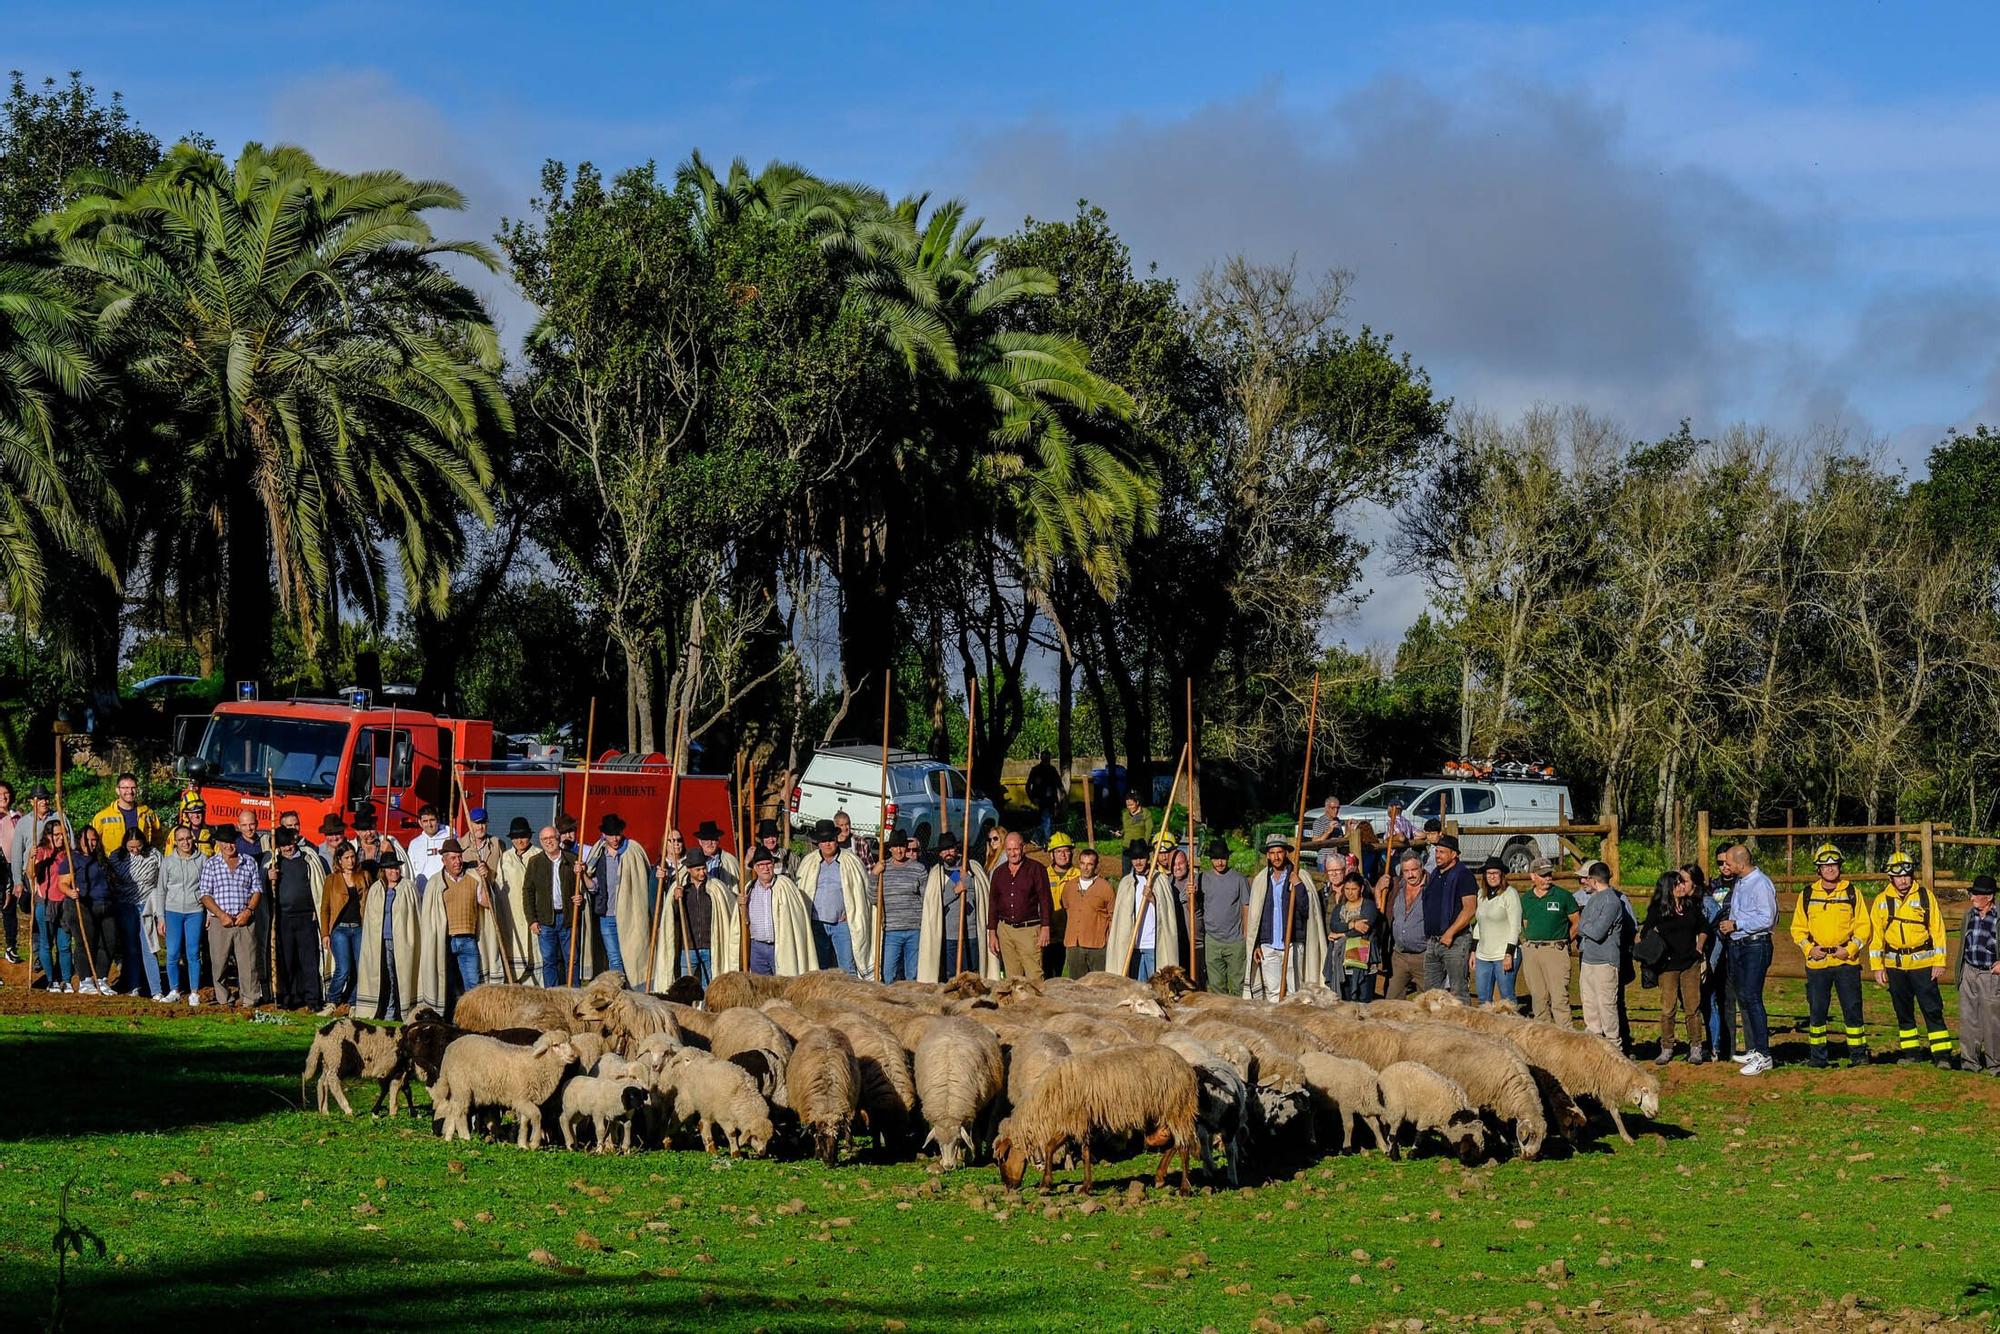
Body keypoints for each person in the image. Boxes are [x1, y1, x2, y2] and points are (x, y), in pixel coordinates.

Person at [1789, 843, 1871, 1068]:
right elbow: (1797, 928)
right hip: (1817, 963)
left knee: (1852, 1009)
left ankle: (1858, 1055)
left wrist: (1850, 949)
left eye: (1833, 865)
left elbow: (1864, 927)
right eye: (1825, 866)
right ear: (1818, 869)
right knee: (1817, 1012)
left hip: (1846, 962)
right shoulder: (1807, 894)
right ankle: (1818, 1057)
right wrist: (1809, 949)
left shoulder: (1852, 892)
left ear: (1840, 866)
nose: (1830, 869)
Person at [1869, 851, 1952, 1067]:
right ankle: (1911, 1053)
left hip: (1923, 964)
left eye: (1907, 875)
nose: (1904, 880)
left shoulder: (1925, 897)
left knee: (1932, 1009)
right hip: (1895, 966)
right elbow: (1876, 937)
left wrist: (1939, 961)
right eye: (1899, 876)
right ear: (1890, 877)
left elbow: (1938, 930)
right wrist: (1877, 967)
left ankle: (1942, 1055)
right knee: (1903, 1011)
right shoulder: (1880, 902)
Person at [1715, 843, 1776, 1075]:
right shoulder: (1741, 882)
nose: (1726, 867)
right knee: (1744, 996)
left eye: (1728, 862)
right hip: (1738, 943)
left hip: (1755, 945)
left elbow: (1767, 918)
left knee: (1752, 996)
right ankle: (1755, 1048)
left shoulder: (1761, 884)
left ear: (1741, 863)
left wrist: (1737, 924)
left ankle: (1764, 1054)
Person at [1244, 834, 1325, 999]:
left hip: (1292, 943)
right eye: (1272, 853)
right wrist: (1257, 943)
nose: (1276, 857)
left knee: (1294, 992)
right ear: (1267, 855)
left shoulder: (1299, 876)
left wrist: (1298, 885)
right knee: (1273, 991)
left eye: (1279, 852)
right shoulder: (1261, 880)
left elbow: (1306, 910)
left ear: (1286, 853)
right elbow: (1256, 917)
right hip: (1269, 945)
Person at [1645, 869, 1709, 1065]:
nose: (1682, 887)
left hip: (1690, 963)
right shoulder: (1657, 910)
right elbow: (1646, 932)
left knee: (1692, 1007)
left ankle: (1696, 1047)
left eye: (1683, 883)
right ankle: (1667, 1047)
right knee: (1668, 1008)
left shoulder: (1691, 906)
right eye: (1677, 884)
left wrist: (1699, 948)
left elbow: (1704, 927)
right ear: (1667, 888)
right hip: (1667, 966)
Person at [797, 819, 874, 978]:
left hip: (842, 924)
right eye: (823, 841)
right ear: (818, 843)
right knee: (820, 967)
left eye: (830, 840)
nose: (827, 844)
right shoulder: (809, 862)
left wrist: (851, 910)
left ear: (836, 840)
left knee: (847, 967)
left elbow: (861, 891)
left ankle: (851, 998)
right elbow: (802, 891)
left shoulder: (850, 861)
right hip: (816, 923)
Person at [200, 823, 265, 1008]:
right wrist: (220, 915)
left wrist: (249, 911)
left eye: (232, 842)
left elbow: (257, 890)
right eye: (225, 842)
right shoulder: (211, 864)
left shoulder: (249, 862)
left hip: (244, 919)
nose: (229, 846)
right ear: (218, 843)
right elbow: (205, 894)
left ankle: (250, 998)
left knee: (248, 962)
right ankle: (224, 998)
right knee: (219, 962)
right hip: (220, 921)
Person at [583, 813, 652, 989]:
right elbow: (594, 886)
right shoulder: (598, 855)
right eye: (611, 834)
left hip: (630, 915)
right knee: (614, 957)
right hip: (607, 915)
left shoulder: (632, 851)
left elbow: (643, 880)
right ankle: (620, 991)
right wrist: (582, 874)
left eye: (618, 834)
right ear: (604, 835)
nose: (615, 838)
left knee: (632, 953)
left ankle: (635, 988)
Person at [920, 832, 993, 981]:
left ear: (956, 849)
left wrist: (966, 879)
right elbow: (936, 902)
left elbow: (979, 895)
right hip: (950, 934)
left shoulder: (971, 868)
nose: (947, 853)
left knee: (972, 972)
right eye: (944, 850)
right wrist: (955, 890)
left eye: (950, 849)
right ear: (940, 853)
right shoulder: (938, 873)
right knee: (952, 974)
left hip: (971, 933)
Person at [432, 837, 494, 1014]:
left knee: (472, 986)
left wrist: (485, 879)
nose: (457, 861)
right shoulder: (437, 883)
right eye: (452, 858)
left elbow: (486, 903)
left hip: (468, 939)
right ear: (444, 860)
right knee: (449, 986)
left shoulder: (473, 877)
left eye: (459, 857)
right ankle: (450, 1019)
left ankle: (472, 1018)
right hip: (447, 941)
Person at [267, 828, 327, 1010]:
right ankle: (286, 999)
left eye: (290, 844)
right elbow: (265, 888)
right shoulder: (274, 862)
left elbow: (318, 885)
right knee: (286, 960)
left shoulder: (307, 859)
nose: (287, 849)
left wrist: (317, 910)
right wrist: (269, 877)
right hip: (284, 918)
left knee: (308, 960)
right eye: (283, 846)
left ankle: (313, 1000)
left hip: (306, 917)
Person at [654, 847, 729, 986]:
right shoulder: (681, 888)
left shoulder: (715, 887)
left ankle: (706, 1008)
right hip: (688, 948)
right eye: (698, 870)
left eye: (704, 868)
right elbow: (672, 917)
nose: (703, 872)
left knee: (710, 987)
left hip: (709, 946)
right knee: (687, 988)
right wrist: (676, 901)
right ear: (689, 869)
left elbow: (725, 912)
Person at [988, 831, 1055, 981]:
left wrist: (1045, 927)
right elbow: (993, 903)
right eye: (1009, 850)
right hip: (1005, 930)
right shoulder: (999, 873)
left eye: (1016, 849)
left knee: (1034, 976)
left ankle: (1036, 1004)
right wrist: (992, 932)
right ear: (1005, 850)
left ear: (1023, 847)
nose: (1013, 853)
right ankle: (1015, 1005)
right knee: (1012, 978)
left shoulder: (1036, 869)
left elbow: (1045, 900)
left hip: (1029, 930)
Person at [1518, 858, 1578, 1026]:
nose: (1547, 879)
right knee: (1538, 998)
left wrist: (1565, 940)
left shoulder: (1563, 896)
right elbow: (1523, 923)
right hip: (1532, 951)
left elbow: (1577, 921)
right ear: (1533, 876)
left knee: (1559, 998)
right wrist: (1525, 942)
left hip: (1555, 950)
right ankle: (1544, 1039)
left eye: (1549, 874)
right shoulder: (1526, 899)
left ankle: (1566, 1038)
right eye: (1543, 875)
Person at [1107, 839, 1176, 983]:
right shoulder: (1126, 883)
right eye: (1135, 858)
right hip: (1133, 946)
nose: (1138, 862)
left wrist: (1153, 898)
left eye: (1141, 858)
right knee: (1136, 987)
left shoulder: (1160, 880)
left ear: (1148, 857)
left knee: (1157, 986)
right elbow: (1121, 919)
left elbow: (1167, 913)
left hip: (1153, 945)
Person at [1575, 860, 1627, 1048]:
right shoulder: (1594, 899)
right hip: (1589, 960)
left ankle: (1614, 1047)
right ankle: (1595, 1047)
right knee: (1589, 1005)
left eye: (1586, 879)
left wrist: (1585, 925)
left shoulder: (1611, 901)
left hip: (1605, 961)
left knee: (1607, 1007)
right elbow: (1583, 927)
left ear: (1593, 879)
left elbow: (1596, 932)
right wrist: (1586, 925)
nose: (1584, 883)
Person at [522, 826, 581, 989]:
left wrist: (580, 898)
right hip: (545, 920)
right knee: (549, 960)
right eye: (544, 839)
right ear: (541, 842)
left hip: (568, 918)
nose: (549, 842)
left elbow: (582, 886)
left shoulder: (571, 859)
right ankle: (552, 996)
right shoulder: (535, 862)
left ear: (558, 838)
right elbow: (528, 892)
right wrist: (531, 920)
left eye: (551, 838)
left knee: (572, 960)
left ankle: (574, 994)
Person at [740, 845, 813, 976]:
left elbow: (797, 919)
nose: (765, 868)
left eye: (768, 863)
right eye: (761, 865)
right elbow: (745, 921)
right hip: (757, 948)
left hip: (782, 945)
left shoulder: (785, 886)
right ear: (755, 868)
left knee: (784, 984)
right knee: (762, 987)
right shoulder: (749, 889)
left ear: (773, 865)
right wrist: (742, 907)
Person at [1421, 835, 1478, 998]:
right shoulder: (1434, 875)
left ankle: (1462, 1023)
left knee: (1457, 990)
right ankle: (1435, 1023)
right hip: (1433, 941)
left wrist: (1450, 932)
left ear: (1454, 855)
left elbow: (1470, 909)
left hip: (1455, 941)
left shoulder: (1464, 875)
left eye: (1442, 852)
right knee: (1431, 993)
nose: (1438, 855)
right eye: (1437, 851)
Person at [110, 827, 165, 999]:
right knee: (131, 948)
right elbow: (110, 880)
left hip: (148, 905)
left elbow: (161, 880)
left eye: (138, 847)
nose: (135, 850)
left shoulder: (154, 855)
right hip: (125, 905)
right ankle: (134, 985)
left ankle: (156, 989)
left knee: (149, 947)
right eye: (131, 847)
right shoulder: (116, 857)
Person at [158, 824, 206, 1005]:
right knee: (172, 953)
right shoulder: (168, 862)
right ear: (175, 842)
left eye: (188, 838)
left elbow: (207, 888)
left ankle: (194, 991)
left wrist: (208, 914)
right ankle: (174, 989)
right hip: (173, 911)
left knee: (193, 952)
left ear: (193, 839)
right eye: (181, 839)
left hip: (195, 911)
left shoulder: (202, 860)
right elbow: (161, 890)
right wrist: (160, 917)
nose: (185, 842)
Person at [355, 849, 406, 1019]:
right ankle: (382, 1009)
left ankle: (395, 1011)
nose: (395, 872)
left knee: (396, 977)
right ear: (383, 871)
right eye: (390, 869)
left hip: (400, 941)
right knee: (382, 976)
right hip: (380, 940)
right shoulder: (376, 890)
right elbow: (371, 919)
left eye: (396, 868)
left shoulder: (407, 889)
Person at [319, 842, 368, 1013]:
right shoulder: (331, 880)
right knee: (343, 967)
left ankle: (353, 1001)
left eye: (352, 856)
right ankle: (332, 999)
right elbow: (325, 908)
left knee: (359, 966)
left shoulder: (363, 877)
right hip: (340, 929)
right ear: (339, 860)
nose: (350, 861)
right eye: (346, 858)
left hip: (358, 928)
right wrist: (325, 933)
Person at [1957, 875, 1999, 1074]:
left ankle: (1995, 1064)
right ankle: (1969, 1062)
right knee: (1968, 1017)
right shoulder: (1969, 915)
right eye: (1972, 893)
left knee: (1992, 1020)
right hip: (1969, 970)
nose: (1972, 897)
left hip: (1990, 974)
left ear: (1989, 896)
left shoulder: (1998, 916)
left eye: (1976, 894)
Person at [1197, 841, 1250, 997]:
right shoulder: (1202, 878)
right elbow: (1194, 906)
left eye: (1223, 858)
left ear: (1228, 857)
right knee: (1216, 985)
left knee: (1237, 986)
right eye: (1215, 858)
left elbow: (1246, 906)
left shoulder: (1239, 879)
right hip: (1213, 939)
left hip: (1235, 940)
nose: (1219, 862)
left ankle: (1237, 1016)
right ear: (1210, 860)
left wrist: (1246, 933)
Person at [69, 826, 116, 996]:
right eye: (87, 840)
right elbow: (63, 883)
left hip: (106, 905)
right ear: (79, 840)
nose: (90, 843)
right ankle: (85, 980)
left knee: (109, 942)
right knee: (85, 942)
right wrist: (71, 892)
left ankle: (102, 978)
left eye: (94, 839)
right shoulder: (72, 858)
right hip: (85, 905)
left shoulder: (102, 859)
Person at [492, 817, 540, 985]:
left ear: (529, 836)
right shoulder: (505, 858)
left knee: (536, 952)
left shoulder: (538, 855)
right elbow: (499, 889)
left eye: (523, 836)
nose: (520, 840)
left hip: (534, 916)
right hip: (512, 916)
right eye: (516, 837)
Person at [1695, 861, 1736, 1061]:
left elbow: (1718, 933)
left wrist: (1711, 961)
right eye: (1719, 862)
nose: (1724, 866)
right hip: (1706, 957)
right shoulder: (1714, 885)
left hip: (1722, 953)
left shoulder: (1709, 902)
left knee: (1719, 1001)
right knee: (1706, 1002)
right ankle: (1714, 1045)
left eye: (1727, 862)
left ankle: (1719, 1046)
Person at [876, 828, 928, 982]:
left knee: (912, 974)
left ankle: (911, 1004)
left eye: (902, 846)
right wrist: (874, 874)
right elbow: (873, 897)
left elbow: (926, 898)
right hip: (892, 930)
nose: (899, 850)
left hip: (914, 929)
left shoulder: (918, 869)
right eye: (895, 846)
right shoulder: (883, 868)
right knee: (888, 974)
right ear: (890, 848)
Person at [31, 824, 77, 992]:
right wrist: (32, 859)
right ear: (48, 835)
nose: (60, 838)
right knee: (46, 943)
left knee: (64, 944)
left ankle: (66, 979)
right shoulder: (42, 851)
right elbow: (31, 874)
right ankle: (51, 980)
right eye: (56, 834)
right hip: (46, 902)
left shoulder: (69, 854)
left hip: (64, 903)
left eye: (62, 834)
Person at [1470, 857, 1522, 1005]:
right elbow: (1479, 924)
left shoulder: (1510, 894)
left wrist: (1509, 953)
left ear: (1502, 875)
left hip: (1503, 953)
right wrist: (1473, 951)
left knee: (1507, 998)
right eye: (1489, 873)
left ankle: (1512, 1026)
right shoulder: (1481, 895)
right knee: (1483, 998)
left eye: (1495, 873)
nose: (1492, 876)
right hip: (1483, 954)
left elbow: (1515, 926)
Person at [1060, 847, 1115, 978]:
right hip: (1074, 945)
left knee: (1099, 985)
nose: (1086, 868)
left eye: (1090, 864)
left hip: (1097, 946)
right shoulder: (1069, 887)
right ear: (1079, 864)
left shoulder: (1105, 888)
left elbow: (1113, 915)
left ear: (1096, 866)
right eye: (1083, 863)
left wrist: (1109, 941)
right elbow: (1066, 907)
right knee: (1076, 986)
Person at [1384, 852, 1430, 999]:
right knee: (1392, 1001)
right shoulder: (1397, 887)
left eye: (1414, 870)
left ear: (1421, 868)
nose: (1410, 875)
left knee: (1430, 1001)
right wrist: (1379, 887)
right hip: (1399, 955)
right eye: (1406, 871)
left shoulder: (1432, 887)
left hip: (1423, 956)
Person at [1329, 872, 1379, 1002]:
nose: (1350, 893)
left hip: (1362, 957)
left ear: (1361, 889)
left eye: (1354, 889)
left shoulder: (1368, 906)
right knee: (1345, 1000)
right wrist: (1352, 924)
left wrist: (1342, 934)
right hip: (1342, 960)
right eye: (1347, 889)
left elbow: (1363, 929)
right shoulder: (1339, 907)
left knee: (1363, 999)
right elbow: (1334, 925)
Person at [89, 771, 163, 857]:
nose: (130, 791)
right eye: (125, 788)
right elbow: (93, 843)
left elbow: (158, 838)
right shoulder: (102, 817)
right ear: (117, 790)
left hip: (142, 864)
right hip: (113, 865)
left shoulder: (147, 813)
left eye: (133, 787)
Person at [1044, 833, 1079, 978]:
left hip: (1072, 932)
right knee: (1048, 974)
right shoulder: (1043, 875)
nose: (1063, 855)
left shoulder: (1079, 875)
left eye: (1066, 851)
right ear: (1051, 855)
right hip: (1050, 934)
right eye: (1058, 851)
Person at [405, 804, 451, 888]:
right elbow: (411, 871)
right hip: (423, 891)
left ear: (438, 820)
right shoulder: (415, 844)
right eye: (425, 821)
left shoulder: (450, 837)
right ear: (420, 822)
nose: (429, 824)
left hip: (445, 888)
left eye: (432, 820)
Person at [0, 780, 21, 965]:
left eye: (5, 793)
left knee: (10, 908)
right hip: (0, 866)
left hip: (15, 866)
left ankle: (11, 946)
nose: (3, 797)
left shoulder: (18, 816)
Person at [1026, 751, 1063, 845]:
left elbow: (1059, 786)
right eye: (1044, 758)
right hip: (1039, 801)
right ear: (1041, 758)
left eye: (1048, 758)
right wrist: (1032, 799)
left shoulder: (1052, 770)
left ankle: (1039, 839)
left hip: (1050, 801)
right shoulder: (1035, 770)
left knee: (1047, 821)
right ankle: (1045, 841)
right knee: (1045, 821)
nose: (1046, 759)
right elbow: (1028, 786)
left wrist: (1058, 802)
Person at [1307, 795, 1346, 878]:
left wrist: (1349, 829)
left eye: (1338, 808)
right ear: (1326, 808)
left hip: (1337, 860)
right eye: (1333, 808)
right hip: (1324, 861)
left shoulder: (1337, 821)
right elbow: (1315, 841)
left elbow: (1341, 840)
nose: (1336, 811)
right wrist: (1328, 831)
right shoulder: (1319, 822)